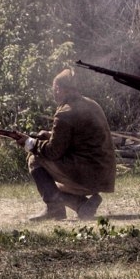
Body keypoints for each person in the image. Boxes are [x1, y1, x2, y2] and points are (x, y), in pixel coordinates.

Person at [13, 68, 116, 221]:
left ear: (60, 89)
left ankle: (54, 209)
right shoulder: (92, 104)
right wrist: (50, 135)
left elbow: (53, 152)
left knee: (35, 160)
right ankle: (81, 205)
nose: (54, 94)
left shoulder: (65, 113)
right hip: (103, 174)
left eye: (55, 89)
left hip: (87, 175)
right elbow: (80, 138)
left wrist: (29, 143)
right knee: (51, 188)